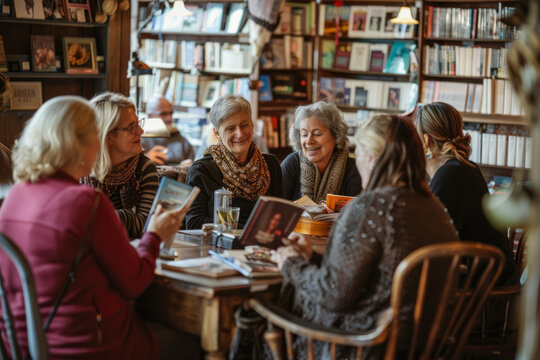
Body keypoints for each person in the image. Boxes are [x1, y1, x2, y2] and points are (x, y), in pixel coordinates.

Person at [0, 96, 192, 359]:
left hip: (21, 346)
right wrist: (155, 234)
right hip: (86, 347)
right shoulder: (85, 202)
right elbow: (134, 283)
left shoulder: (14, 197)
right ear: (79, 143)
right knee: (191, 342)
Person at [273, 114, 459, 359]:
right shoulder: (435, 207)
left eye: (357, 150)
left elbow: (335, 295)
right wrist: (310, 257)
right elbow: (376, 274)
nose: (356, 158)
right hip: (423, 347)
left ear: (371, 158)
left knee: (260, 313)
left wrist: (291, 264)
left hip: (365, 346)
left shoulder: (369, 207)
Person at [415, 102, 515, 283]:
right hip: (488, 274)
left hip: (481, 286)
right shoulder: (462, 167)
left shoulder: (451, 174)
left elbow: (432, 240)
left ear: (426, 140)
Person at [185, 94, 282, 229]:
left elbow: (281, 216)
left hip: (263, 247)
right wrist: (248, 229)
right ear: (217, 133)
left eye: (244, 125)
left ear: (252, 126)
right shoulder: (202, 170)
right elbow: (194, 223)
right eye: (230, 128)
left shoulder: (271, 165)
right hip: (218, 246)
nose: (240, 134)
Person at [83, 92, 159, 239]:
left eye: (138, 123)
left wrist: (111, 217)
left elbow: (146, 227)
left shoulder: (144, 168)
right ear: (109, 135)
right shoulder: (80, 170)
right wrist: (128, 217)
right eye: (131, 127)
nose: (141, 131)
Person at [281, 101, 362, 202]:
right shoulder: (292, 163)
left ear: (335, 135)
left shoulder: (353, 169)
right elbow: (274, 208)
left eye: (317, 134)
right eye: (304, 134)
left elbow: (356, 214)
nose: (309, 141)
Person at [142, 95, 194, 166]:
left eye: (171, 113)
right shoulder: (139, 141)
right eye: (163, 114)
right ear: (150, 116)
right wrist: (144, 161)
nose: (169, 119)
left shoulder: (183, 142)